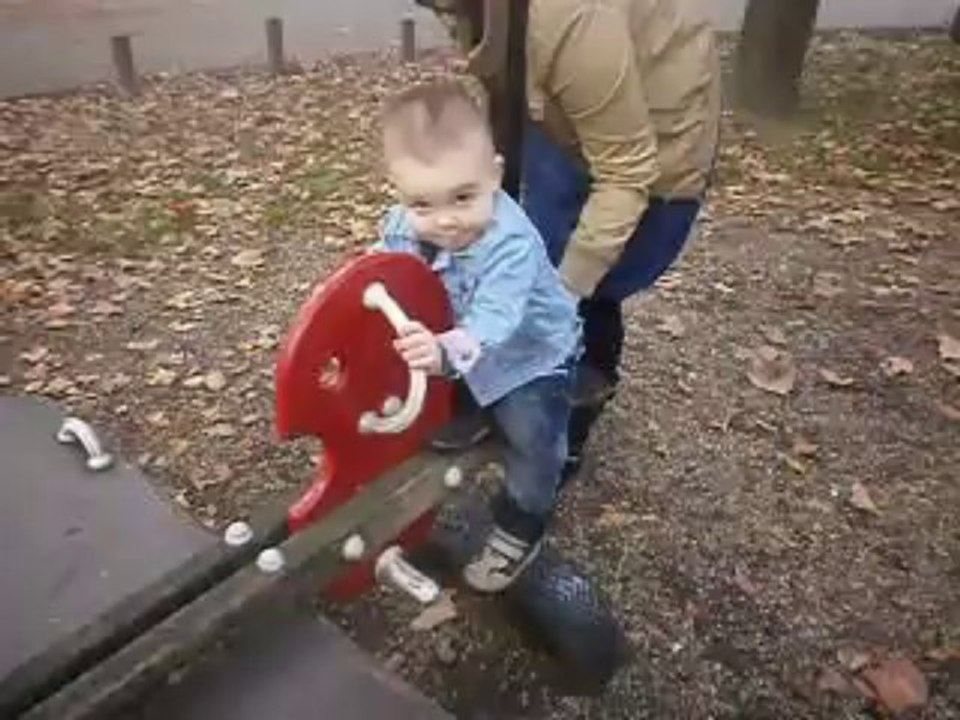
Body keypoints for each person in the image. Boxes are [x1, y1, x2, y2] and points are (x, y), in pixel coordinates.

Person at [417, 0, 722, 480]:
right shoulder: (507, 18)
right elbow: (506, 88)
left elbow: (626, 174)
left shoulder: (575, 15)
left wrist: (558, 296)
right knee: (518, 243)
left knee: (590, 279)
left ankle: (572, 412)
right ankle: (491, 388)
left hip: (657, 140)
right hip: (573, 92)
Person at [373, 79, 582, 592]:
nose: (445, 221)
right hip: (462, 343)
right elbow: (387, 263)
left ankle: (522, 522)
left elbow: (494, 323)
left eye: (463, 197)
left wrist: (444, 352)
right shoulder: (406, 222)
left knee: (534, 436)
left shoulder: (509, 243)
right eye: (423, 204)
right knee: (445, 388)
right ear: (399, 192)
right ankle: (468, 407)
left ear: (494, 176)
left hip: (529, 354)